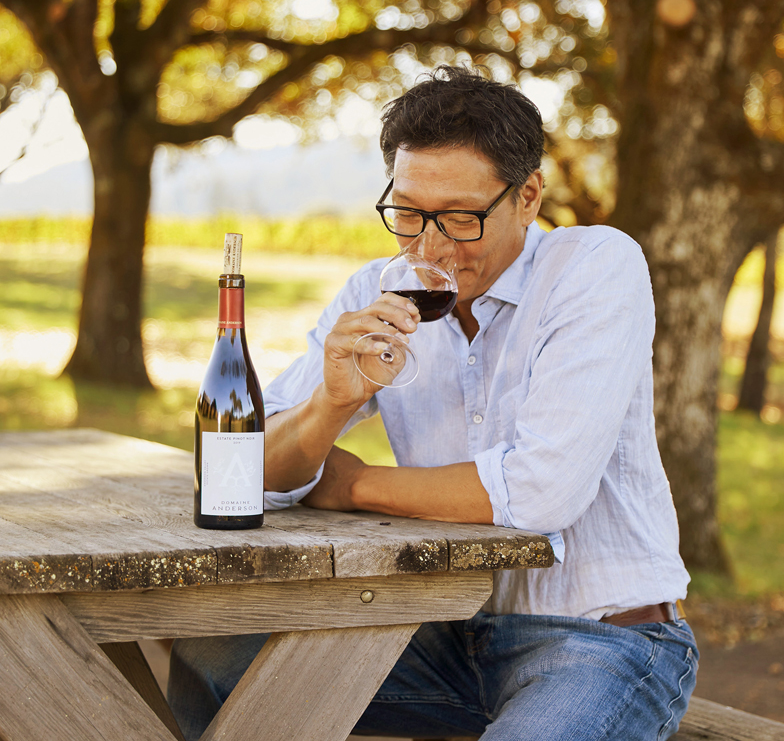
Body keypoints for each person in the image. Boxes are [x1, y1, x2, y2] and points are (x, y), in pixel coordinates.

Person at [168, 65, 698, 741]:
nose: (431, 245)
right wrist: (330, 407)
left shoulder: (592, 265)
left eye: (461, 218)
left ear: (529, 195)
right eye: (410, 214)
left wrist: (356, 483)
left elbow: (542, 492)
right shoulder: (376, 289)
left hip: (601, 640)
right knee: (213, 656)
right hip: (446, 636)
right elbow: (236, 473)